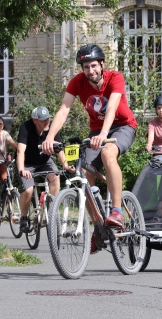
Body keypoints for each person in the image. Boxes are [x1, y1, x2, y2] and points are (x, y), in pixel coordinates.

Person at [41, 44, 137, 255]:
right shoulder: (77, 82)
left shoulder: (115, 78)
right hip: (96, 131)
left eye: (93, 65)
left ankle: (117, 211)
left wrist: (104, 134)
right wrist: (49, 138)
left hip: (122, 127)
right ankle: (98, 227)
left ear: (102, 64)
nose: (90, 70)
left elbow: (111, 107)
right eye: (86, 67)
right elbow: (64, 109)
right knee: (82, 174)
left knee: (107, 153)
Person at [16, 106, 75, 233]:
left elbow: (59, 148)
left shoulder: (51, 129)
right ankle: (24, 218)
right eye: (43, 120)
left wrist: (65, 165)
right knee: (28, 190)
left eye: (48, 119)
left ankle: (49, 210)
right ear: (35, 120)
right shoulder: (26, 128)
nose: (46, 122)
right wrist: (21, 169)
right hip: (27, 164)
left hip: (45, 161)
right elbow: (20, 151)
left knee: (56, 177)